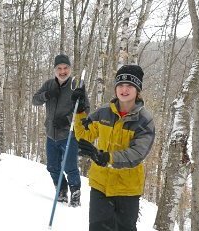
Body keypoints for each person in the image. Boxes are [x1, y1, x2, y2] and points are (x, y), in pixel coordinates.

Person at [71, 64, 155, 230]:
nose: (124, 89)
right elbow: (83, 135)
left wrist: (107, 157)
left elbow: (137, 153)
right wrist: (80, 111)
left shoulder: (144, 120)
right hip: (100, 185)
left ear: (137, 90)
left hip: (127, 189)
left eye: (130, 85)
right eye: (120, 85)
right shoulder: (103, 112)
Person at [32, 54, 90, 207]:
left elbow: (86, 109)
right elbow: (34, 100)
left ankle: (75, 194)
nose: (63, 71)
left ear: (70, 69)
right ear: (55, 70)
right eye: (59, 68)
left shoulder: (76, 85)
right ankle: (62, 190)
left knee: (70, 166)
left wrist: (67, 119)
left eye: (65, 68)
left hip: (69, 134)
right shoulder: (49, 84)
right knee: (52, 166)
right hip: (51, 134)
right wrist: (47, 95)